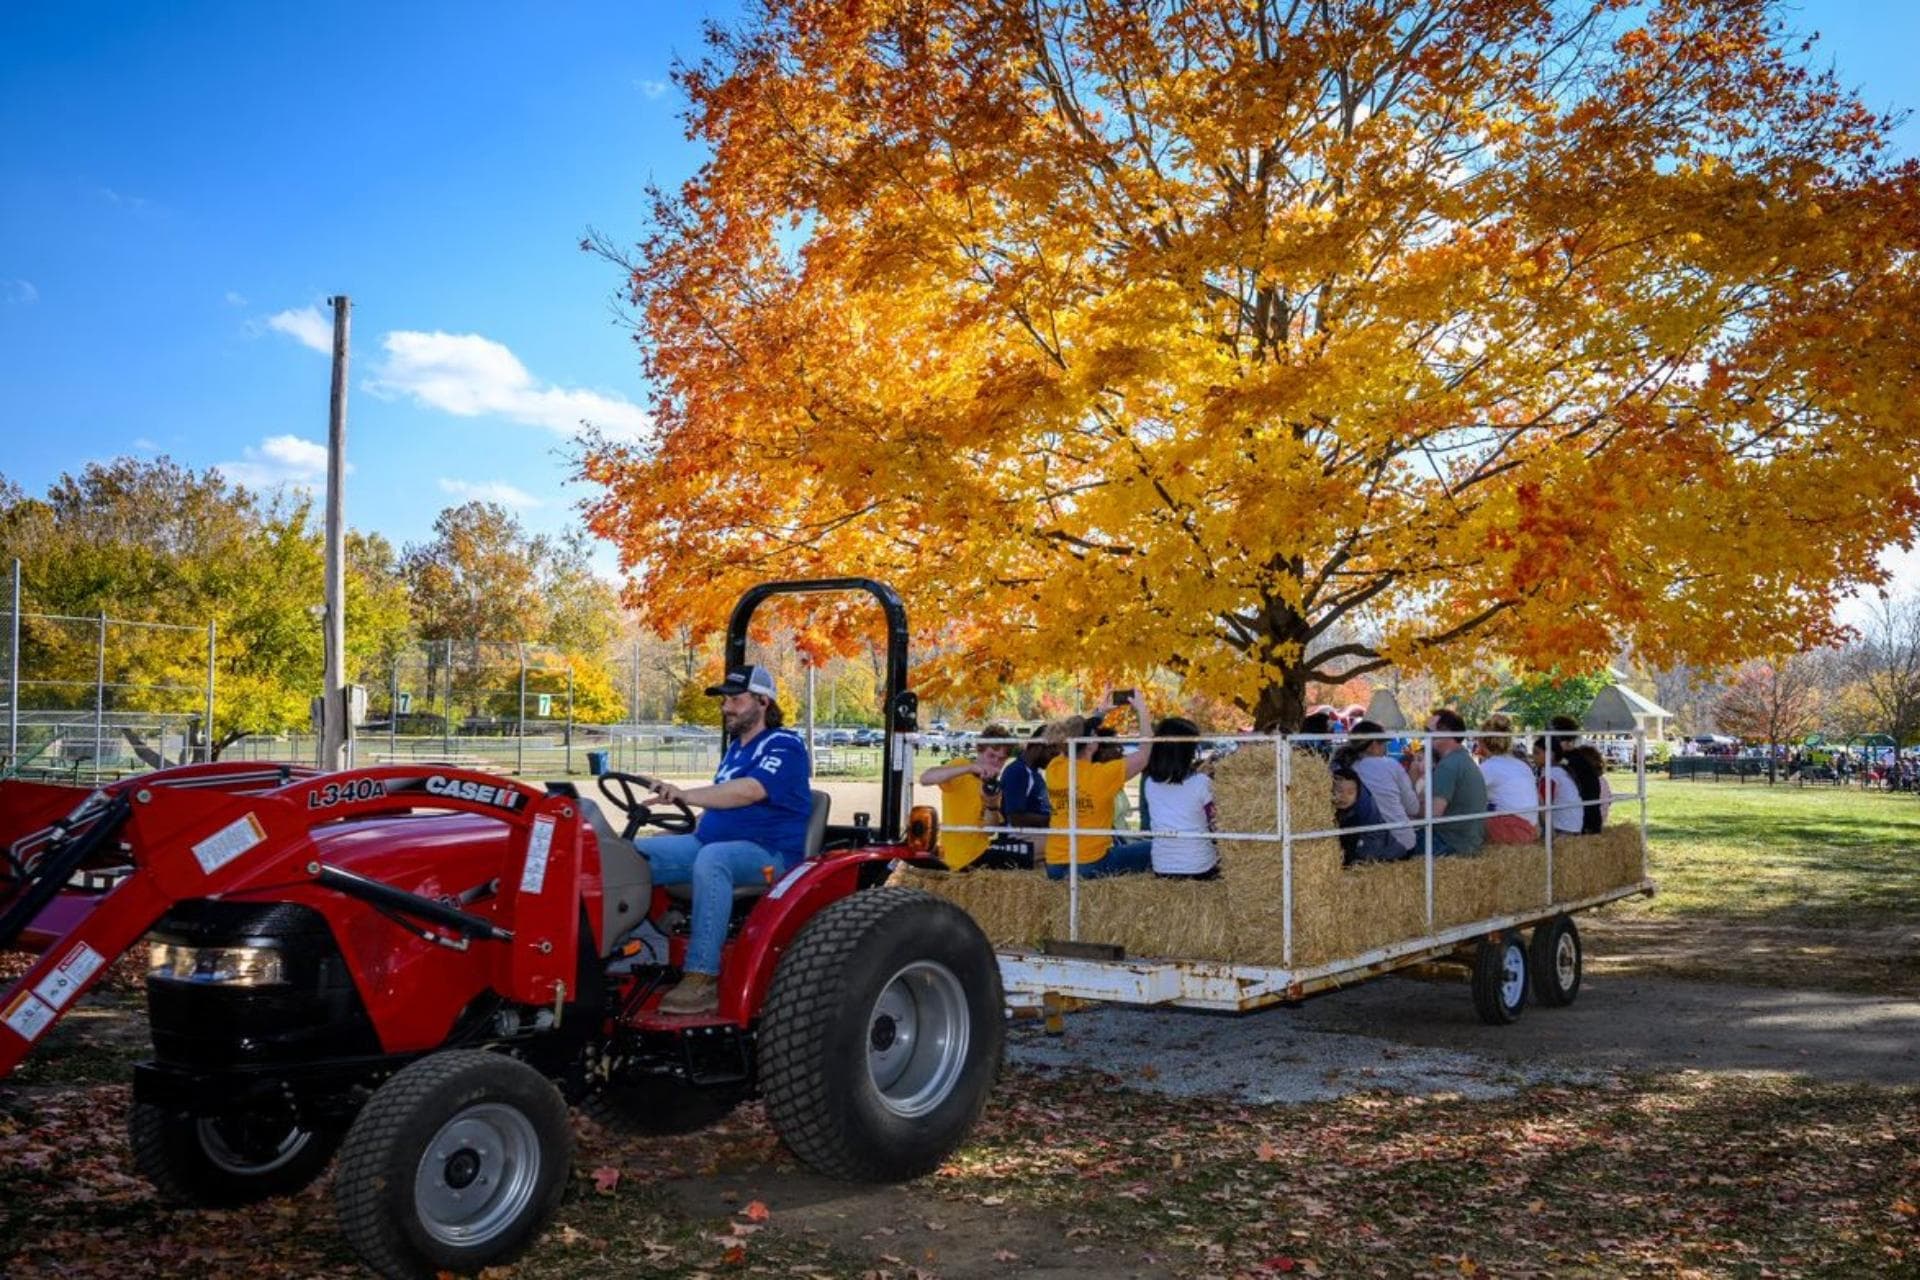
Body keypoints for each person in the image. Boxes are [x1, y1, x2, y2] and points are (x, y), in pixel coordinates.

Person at [635, 665, 813, 1014]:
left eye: (735, 699)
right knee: (631, 854)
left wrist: (684, 794)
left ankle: (702, 977)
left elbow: (750, 791)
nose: (726, 707)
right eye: (725, 700)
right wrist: (681, 828)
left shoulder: (784, 744)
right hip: (709, 843)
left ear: (763, 701)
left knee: (713, 859)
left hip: (770, 855)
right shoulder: (735, 749)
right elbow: (720, 802)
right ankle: (627, 951)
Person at [1043, 692, 1152, 879]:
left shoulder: (1055, 768)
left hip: (1054, 866)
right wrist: (1142, 710)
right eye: (1094, 735)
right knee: (1156, 847)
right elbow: (1143, 755)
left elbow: (1071, 739)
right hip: (1090, 864)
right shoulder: (1102, 775)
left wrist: (1099, 714)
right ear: (1091, 744)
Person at [919, 725, 1016, 871]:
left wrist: (991, 805)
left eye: (1001, 759)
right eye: (991, 756)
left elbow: (990, 830)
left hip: (979, 855)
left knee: (1022, 859)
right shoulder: (961, 766)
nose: (996, 762)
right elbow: (925, 778)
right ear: (980, 750)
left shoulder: (994, 786)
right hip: (955, 856)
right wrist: (970, 769)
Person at [1141, 716, 1219, 879]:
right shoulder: (1201, 783)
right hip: (1200, 866)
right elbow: (1215, 822)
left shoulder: (1149, 783)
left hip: (1162, 866)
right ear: (1186, 751)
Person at [1409, 708, 1486, 855]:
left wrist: (1406, 806)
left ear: (1447, 734)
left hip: (1449, 843)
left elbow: (1432, 813)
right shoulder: (1462, 759)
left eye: (1429, 730)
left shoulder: (1448, 765)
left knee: (1396, 847)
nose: (1426, 735)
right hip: (1466, 841)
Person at [1342, 719, 1417, 855]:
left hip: (1363, 846)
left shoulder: (1349, 769)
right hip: (1400, 844)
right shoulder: (1391, 765)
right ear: (1374, 745)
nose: (1386, 747)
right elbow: (1413, 808)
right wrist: (1414, 776)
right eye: (1383, 743)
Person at [996, 727, 1056, 867]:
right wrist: (1053, 821)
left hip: (1035, 834)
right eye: (1052, 754)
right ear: (1039, 747)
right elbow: (1016, 818)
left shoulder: (1034, 772)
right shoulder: (1018, 772)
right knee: (1073, 843)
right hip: (1018, 838)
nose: (1054, 759)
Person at [1475, 714, 1539, 844]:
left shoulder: (1489, 767)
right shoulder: (1521, 764)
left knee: (1465, 819)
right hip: (1532, 827)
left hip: (1514, 829)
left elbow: (1468, 795)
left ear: (1482, 742)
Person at [1332, 766, 1402, 863]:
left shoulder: (1356, 815)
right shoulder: (1329, 812)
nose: (1344, 796)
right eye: (1339, 791)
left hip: (1388, 850)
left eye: (1350, 793)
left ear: (1357, 795)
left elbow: (1350, 850)